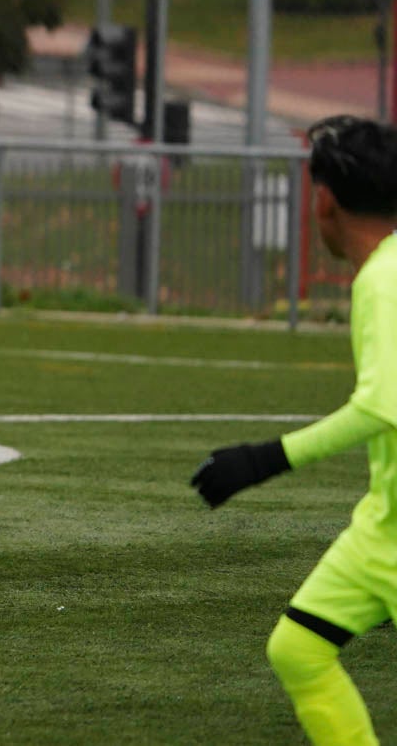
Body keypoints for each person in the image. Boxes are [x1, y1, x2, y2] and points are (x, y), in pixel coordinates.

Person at [191, 114, 397, 746]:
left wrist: (261, 460)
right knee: (299, 648)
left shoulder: (384, 280)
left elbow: (383, 406)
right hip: (384, 527)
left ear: (324, 200)